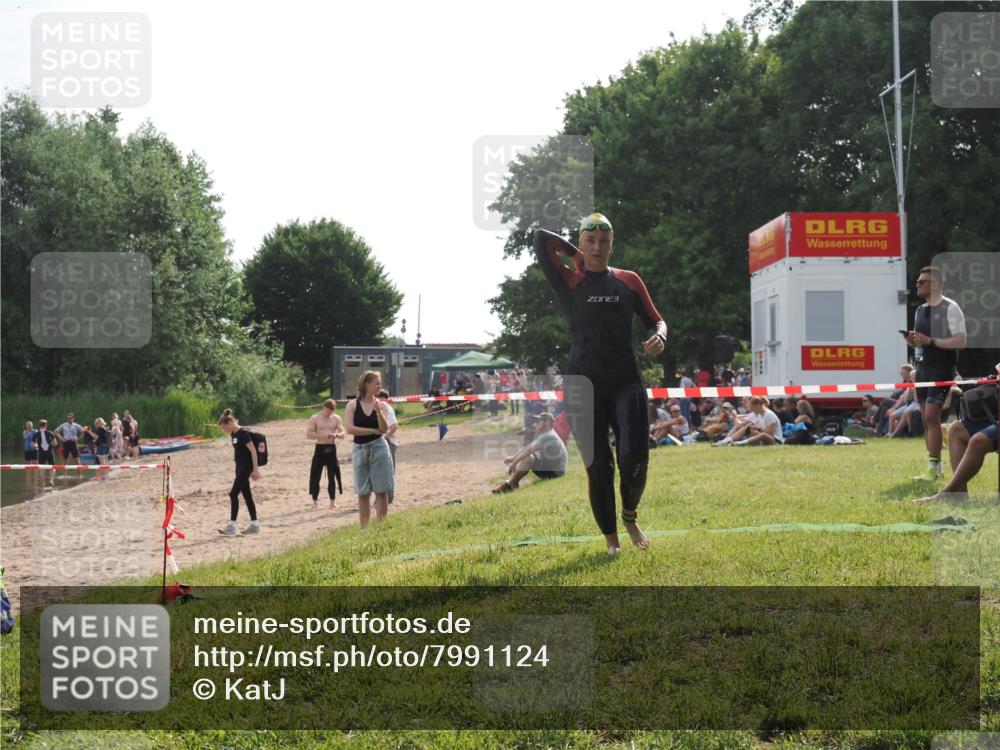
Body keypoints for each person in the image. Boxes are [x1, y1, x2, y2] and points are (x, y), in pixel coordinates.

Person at [534, 212, 667, 554]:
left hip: (626, 382)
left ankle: (630, 516)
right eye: (589, 241)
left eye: (603, 241)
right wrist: (574, 256)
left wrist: (661, 335)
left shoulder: (628, 280)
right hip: (582, 385)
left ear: (612, 245)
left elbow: (657, 321)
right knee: (598, 467)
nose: (596, 247)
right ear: (581, 243)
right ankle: (611, 540)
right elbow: (540, 238)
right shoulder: (569, 280)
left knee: (634, 458)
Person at [906, 266, 967, 481]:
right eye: (918, 281)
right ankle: (935, 466)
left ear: (936, 284)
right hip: (923, 369)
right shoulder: (919, 310)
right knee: (926, 418)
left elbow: (961, 340)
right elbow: (920, 344)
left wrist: (931, 341)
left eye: (922, 281)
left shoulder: (951, 308)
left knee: (932, 416)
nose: (917, 284)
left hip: (942, 368)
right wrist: (913, 342)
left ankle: (933, 468)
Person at [345, 371, 394, 528]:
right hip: (359, 449)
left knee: (381, 490)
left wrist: (378, 412)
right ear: (366, 384)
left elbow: (384, 429)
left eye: (380, 383)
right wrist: (372, 431)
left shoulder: (382, 405)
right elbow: (350, 429)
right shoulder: (352, 405)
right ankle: (364, 528)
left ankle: (381, 527)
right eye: (377, 383)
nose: (380, 386)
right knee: (363, 492)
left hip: (379, 448)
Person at [492, 412, 568, 493]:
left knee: (529, 458)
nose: (536, 423)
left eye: (539, 421)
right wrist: (513, 458)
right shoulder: (547, 434)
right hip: (554, 470)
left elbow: (529, 450)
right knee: (529, 456)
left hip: (555, 472)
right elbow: (529, 447)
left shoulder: (548, 435)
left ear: (547, 423)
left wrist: (514, 463)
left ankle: (510, 485)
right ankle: (513, 483)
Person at [216, 409, 261, 536]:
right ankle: (255, 524)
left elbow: (253, 451)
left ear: (230, 423)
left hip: (246, 468)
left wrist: (255, 470)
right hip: (239, 468)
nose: (224, 430)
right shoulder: (233, 434)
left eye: (224, 428)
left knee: (233, 494)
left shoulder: (243, 433)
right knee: (247, 495)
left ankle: (232, 526)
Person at [305, 399, 344, 509]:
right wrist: (322, 436)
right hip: (320, 447)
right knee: (316, 475)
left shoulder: (336, 418)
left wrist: (336, 435)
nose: (328, 413)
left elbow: (343, 433)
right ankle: (314, 502)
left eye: (331, 411)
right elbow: (308, 434)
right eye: (327, 411)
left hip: (331, 448)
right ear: (324, 407)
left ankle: (332, 502)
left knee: (332, 476)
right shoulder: (315, 417)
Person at [715, 396, 783, 446]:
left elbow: (770, 434)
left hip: (776, 440)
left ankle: (739, 443)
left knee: (763, 435)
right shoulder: (758, 413)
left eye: (753, 408)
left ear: (758, 406)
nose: (752, 411)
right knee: (745, 428)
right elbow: (741, 424)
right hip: (766, 437)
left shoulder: (769, 415)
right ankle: (725, 441)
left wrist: (758, 429)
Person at [377, 389, 400, 503]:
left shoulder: (386, 407)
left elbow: (394, 426)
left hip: (389, 442)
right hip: (383, 441)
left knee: (388, 470)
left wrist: (386, 436)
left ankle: (388, 497)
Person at [32, 419, 58, 487]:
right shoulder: (50, 433)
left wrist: (38, 445)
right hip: (49, 452)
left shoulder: (36, 434)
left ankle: (43, 484)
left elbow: (33, 445)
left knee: (41, 468)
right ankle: (51, 480)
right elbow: (55, 443)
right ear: (46, 425)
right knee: (53, 467)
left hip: (41, 453)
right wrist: (50, 444)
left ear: (39, 425)